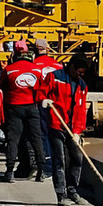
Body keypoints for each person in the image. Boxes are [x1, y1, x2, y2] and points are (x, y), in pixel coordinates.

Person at [40, 53, 90, 206]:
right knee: (59, 160)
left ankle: (73, 190)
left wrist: (78, 131)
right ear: (72, 67)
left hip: (73, 128)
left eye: (83, 72)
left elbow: (81, 111)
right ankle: (61, 194)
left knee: (76, 159)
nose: (81, 75)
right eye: (79, 71)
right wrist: (44, 99)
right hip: (57, 124)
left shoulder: (82, 86)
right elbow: (41, 92)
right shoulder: (54, 77)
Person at [0, 41, 46, 183]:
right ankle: (41, 172)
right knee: (36, 138)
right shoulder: (36, 70)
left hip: (14, 107)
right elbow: (41, 88)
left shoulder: (9, 69)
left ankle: (9, 172)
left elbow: (0, 85)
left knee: (13, 140)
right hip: (32, 107)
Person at [31, 39, 62, 173]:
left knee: (42, 134)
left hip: (39, 102)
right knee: (56, 133)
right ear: (47, 49)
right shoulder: (58, 65)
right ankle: (57, 164)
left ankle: (46, 166)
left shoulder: (32, 65)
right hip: (55, 103)